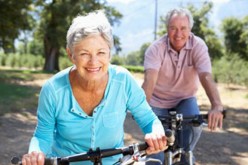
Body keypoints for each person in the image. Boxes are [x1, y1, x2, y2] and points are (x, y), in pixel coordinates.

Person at [21, 10, 167, 165]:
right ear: (71, 54)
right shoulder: (52, 90)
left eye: (101, 52)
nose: (93, 62)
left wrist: (156, 132)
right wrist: (35, 153)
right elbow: (43, 135)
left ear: (109, 53)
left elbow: (149, 119)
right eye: (84, 53)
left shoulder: (123, 81)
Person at [142, 8, 224, 165]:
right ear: (167, 29)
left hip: (185, 99)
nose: (178, 33)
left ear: (190, 29)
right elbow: (149, 80)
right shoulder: (155, 49)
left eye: (183, 28)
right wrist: (143, 110)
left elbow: (205, 76)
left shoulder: (198, 46)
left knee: (191, 135)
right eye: (173, 28)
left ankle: (185, 156)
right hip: (158, 101)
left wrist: (216, 105)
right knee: (154, 157)